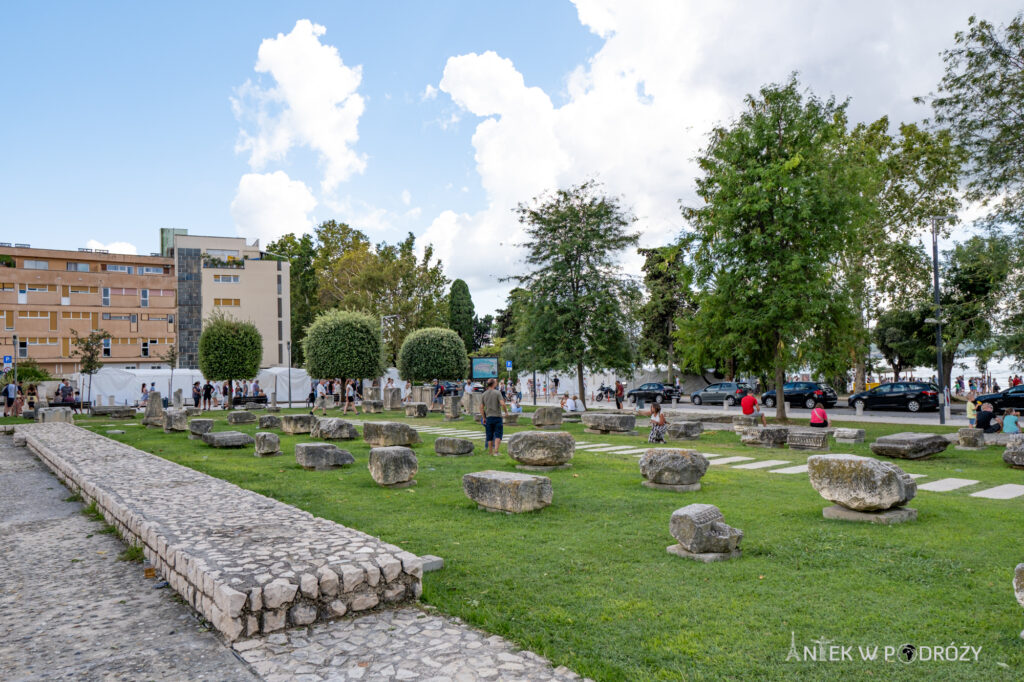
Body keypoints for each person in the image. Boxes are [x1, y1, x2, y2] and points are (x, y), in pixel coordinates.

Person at [480, 378, 507, 456]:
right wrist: (506, 412)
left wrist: (484, 417)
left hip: (488, 417)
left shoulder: (484, 394)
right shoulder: (497, 393)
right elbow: (503, 404)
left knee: (489, 435)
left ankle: (490, 452)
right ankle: (496, 451)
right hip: (497, 416)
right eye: (496, 382)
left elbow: (481, 407)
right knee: (498, 434)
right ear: (494, 384)